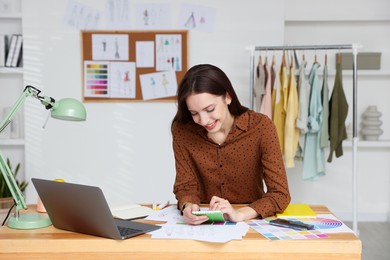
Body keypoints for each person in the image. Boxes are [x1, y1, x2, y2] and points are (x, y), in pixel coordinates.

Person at [171, 64, 290, 225]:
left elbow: (280, 194)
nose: (204, 120)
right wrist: (188, 205)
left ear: (227, 97)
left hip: (250, 219)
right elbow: (186, 185)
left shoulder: (261, 127)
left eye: (210, 109)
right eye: (194, 113)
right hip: (204, 223)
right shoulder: (182, 130)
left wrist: (239, 214)